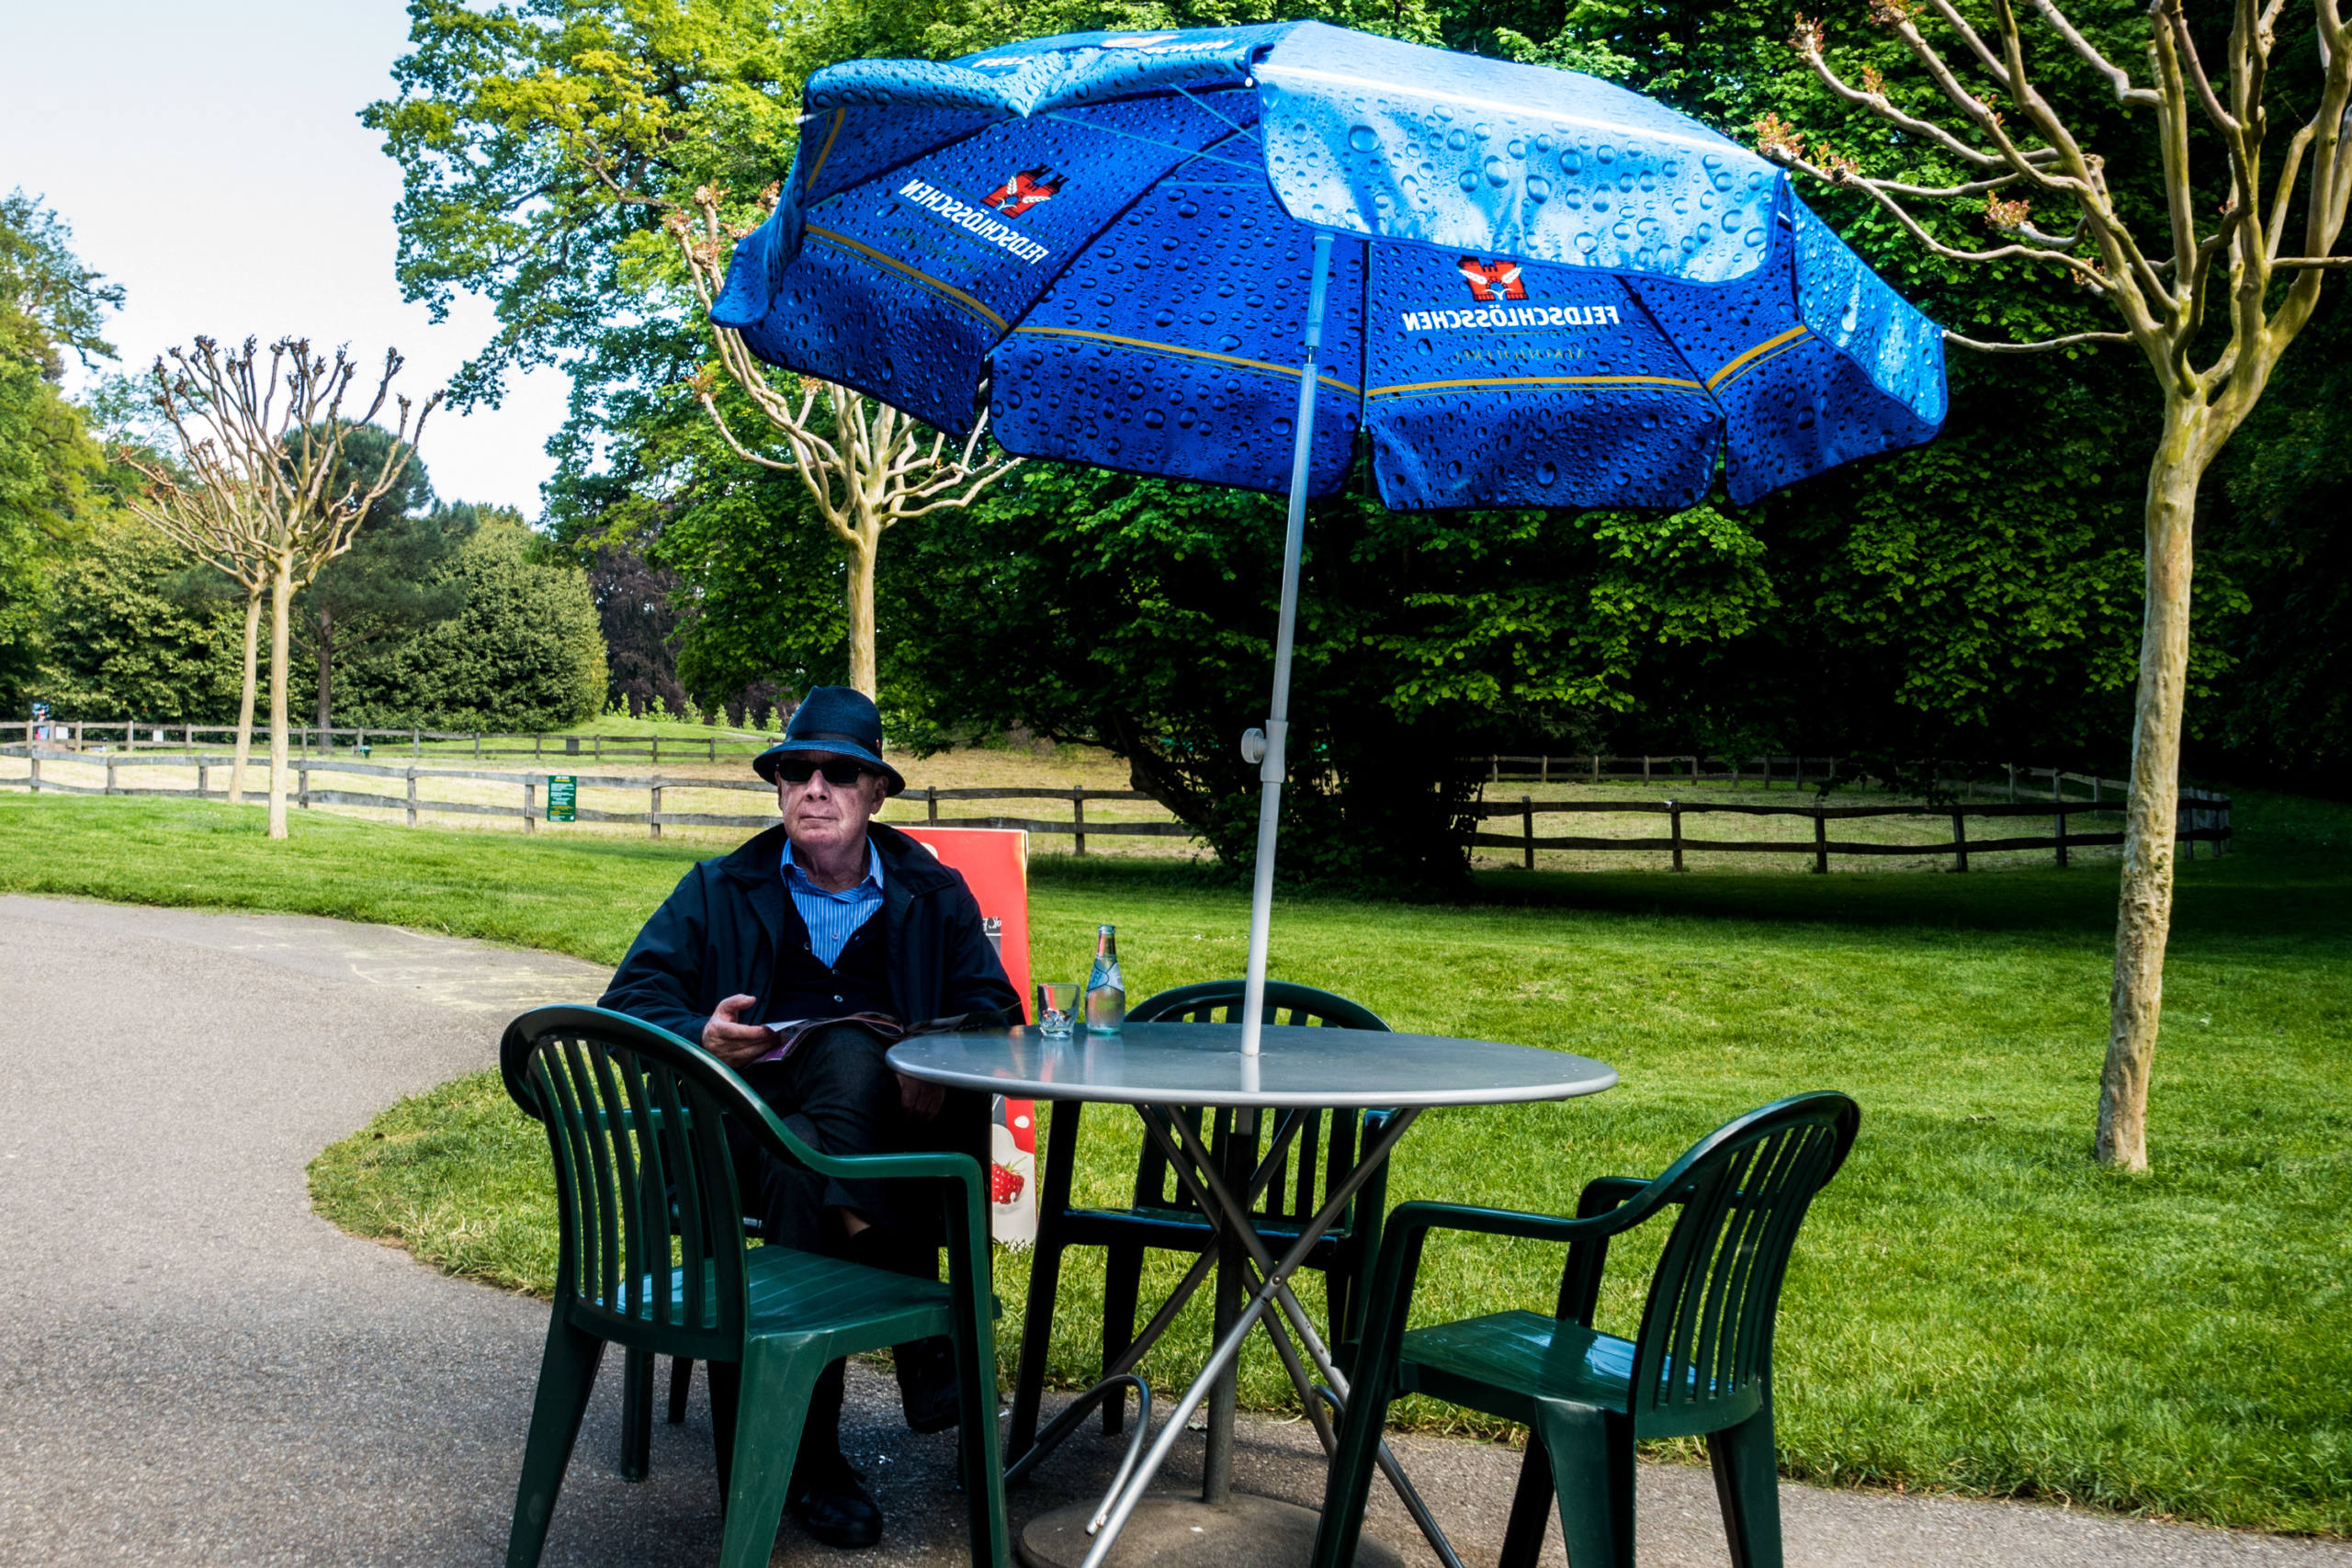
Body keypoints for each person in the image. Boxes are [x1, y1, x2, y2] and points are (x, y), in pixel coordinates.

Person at [599, 685, 1017, 1550]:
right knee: (838, 1060)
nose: (814, 787)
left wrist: (931, 1053)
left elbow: (993, 1008)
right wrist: (702, 1032)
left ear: (876, 794)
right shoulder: (721, 886)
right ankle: (920, 1319)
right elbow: (630, 999)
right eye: (797, 771)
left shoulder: (932, 891)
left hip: (853, 1143)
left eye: (839, 773)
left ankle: (802, 1460)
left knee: (824, 1125)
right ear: (781, 786)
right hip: (734, 1141)